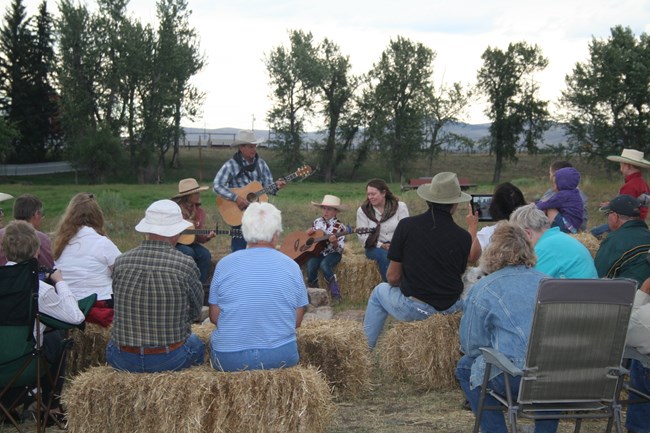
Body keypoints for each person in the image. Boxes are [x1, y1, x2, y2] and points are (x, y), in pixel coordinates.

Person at [456, 222, 559, 433]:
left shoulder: (485, 288)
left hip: (516, 378)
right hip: (560, 377)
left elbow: (471, 345)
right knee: (545, 374)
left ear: (491, 252)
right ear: (528, 249)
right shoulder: (551, 282)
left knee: (466, 367)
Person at [363, 172, 474, 350]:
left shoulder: (407, 226)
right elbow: (459, 272)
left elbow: (392, 277)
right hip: (449, 310)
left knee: (379, 292)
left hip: (415, 309)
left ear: (428, 200)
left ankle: (365, 350)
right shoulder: (464, 237)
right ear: (455, 204)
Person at [106, 200, 205, 373]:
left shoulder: (121, 262)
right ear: (176, 232)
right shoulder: (185, 264)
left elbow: (119, 303)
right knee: (197, 344)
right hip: (169, 358)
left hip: (121, 358)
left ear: (147, 230)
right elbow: (196, 311)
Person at [208, 202, 309, 371]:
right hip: (280, 356)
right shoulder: (291, 265)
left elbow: (214, 316)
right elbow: (296, 321)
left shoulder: (224, 264)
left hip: (228, 359)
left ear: (244, 231)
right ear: (276, 234)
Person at [1, 220, 85, 416]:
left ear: (4, 250)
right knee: (57, 336)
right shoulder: (39, 290)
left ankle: (7, 404)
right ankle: (51, 405)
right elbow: (76, 318)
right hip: (25, 366)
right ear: (37, 252)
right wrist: (60, 282)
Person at [52, 193, 121, 327]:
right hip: (99, 303)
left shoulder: (61, 244)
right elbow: (123, 271)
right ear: (97, 215)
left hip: (67, 303)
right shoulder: (101, 243)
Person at [213, 130, 286, 252]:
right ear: (241, 148)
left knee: (261, 244)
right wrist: (236, 198)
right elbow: (217, 185)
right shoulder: (231, 165)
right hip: (239, 213)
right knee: (239, 247)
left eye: (255, 146)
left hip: (259, 213)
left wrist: (277, 186)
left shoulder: (261, 164)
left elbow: (268, 187)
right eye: (250, 146)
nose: (254, 149)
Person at [510, 203, 597, 278]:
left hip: (578, 296)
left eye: (517, 238)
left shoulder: (542, 250)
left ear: (527, 234)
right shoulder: (559, 238)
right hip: (588, 294)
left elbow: (526, 284)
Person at [356, 179, 409, 282]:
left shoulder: (399, 207)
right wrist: (382, 245)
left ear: (383, 193)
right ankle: (390, 286)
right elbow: (363, 238)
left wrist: (395, 245)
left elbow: (406, 230)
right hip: (374, 247)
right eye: (368, 194)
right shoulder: (363, 211)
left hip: (398, 245)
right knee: (386, 256)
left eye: (373, 194)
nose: (370, 197)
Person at [592, 148, 650, 238]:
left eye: (621, 165)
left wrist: (610, 207)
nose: (621, 169)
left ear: (628, 166)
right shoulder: (643, 183)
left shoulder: (630, 186)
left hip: (626, 226)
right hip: (639, 224)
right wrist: (611, 203)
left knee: (593, 233)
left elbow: (622, 210)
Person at [593, 194, 650, 285]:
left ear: (615, 217)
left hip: (627, 296)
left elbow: (598, 276)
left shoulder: (614, 241)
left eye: (608, 214)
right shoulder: (647, 235)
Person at [171, 178, 216, 284]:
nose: (199, 195)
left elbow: (195, 235)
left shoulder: (199, 212)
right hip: (174, 242)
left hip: (190, 242)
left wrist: (207, 237)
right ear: (188, 196)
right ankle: (185, 283)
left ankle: (201, 285)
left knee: (205, 254)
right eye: (196, 193)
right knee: (188, 252)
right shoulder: (175, 210)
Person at [306, 195, 348, 302]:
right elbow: (310, 236)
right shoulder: (317, 222)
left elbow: (339, 249)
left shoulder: (340, 227)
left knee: (325, 265)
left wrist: (334, 242)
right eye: (324, 208)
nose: (326, 211)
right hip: (319, 252)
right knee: (310, 265)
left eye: (329, 209)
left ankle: (335, 293)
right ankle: (314, 294)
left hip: (333, 253)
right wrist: (307, 233)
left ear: (336, 211)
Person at [0, 194, 54, 269]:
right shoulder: (41, 238)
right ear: (36, 214)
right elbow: (49, 267)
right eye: (42, 214)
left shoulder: (1, 234)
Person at [625, 277, 650, 433]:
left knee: (640, 362)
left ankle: (639, 428)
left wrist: (642, 292)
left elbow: (622, 331)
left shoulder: (645, 315)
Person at [474, 182, 526, 252]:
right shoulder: (530, 233)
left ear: (494, 208)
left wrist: (472, 227)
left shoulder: (485, 235)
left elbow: (471, 256)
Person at [540, 160, 589, 230]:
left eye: (550, 174)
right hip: (580, 228)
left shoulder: (559, 193)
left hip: (566, 228)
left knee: (548, 208)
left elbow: (543, 205)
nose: (550, 177)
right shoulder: (577, 192)